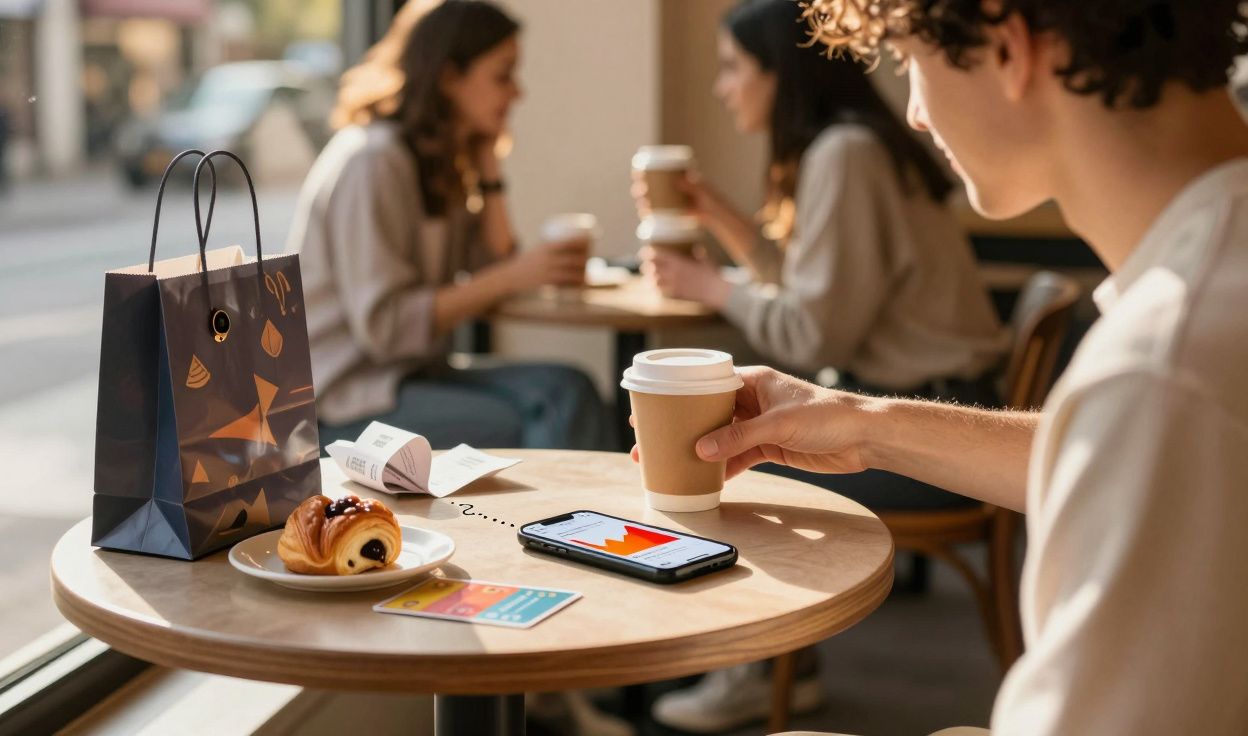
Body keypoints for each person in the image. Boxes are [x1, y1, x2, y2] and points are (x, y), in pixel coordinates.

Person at [651, 1, 1248, 734]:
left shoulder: (1160, 374)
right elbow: (1122, 457)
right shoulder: (1202, 317)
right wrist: (865, 424)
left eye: (907, 62)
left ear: (1006, 45)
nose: (916, 116)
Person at [640, 2, 1005, 730]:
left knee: (725, 465)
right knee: (733, 447)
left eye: (734, 68)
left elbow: (814, 334)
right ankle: (780, 665)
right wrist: (724, 221)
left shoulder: (845, 155)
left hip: (934, 425)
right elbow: (819, 291)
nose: (723, 87)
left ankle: (759, 667)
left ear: (782, 75)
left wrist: (713, 288)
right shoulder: (853, 146)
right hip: (948, 397)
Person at [287, 0, 612, 452]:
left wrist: (488, 164)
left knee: (570, 386)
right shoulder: (373, 162)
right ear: (449, 78)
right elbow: (385, 329)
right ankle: (549, 523)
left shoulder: (437, 160)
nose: (517, 92)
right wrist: (518, 274)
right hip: (345, 401)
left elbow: (494, 261)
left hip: (411, 377)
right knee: (553, 408)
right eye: (503, 75)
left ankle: (577, 520)